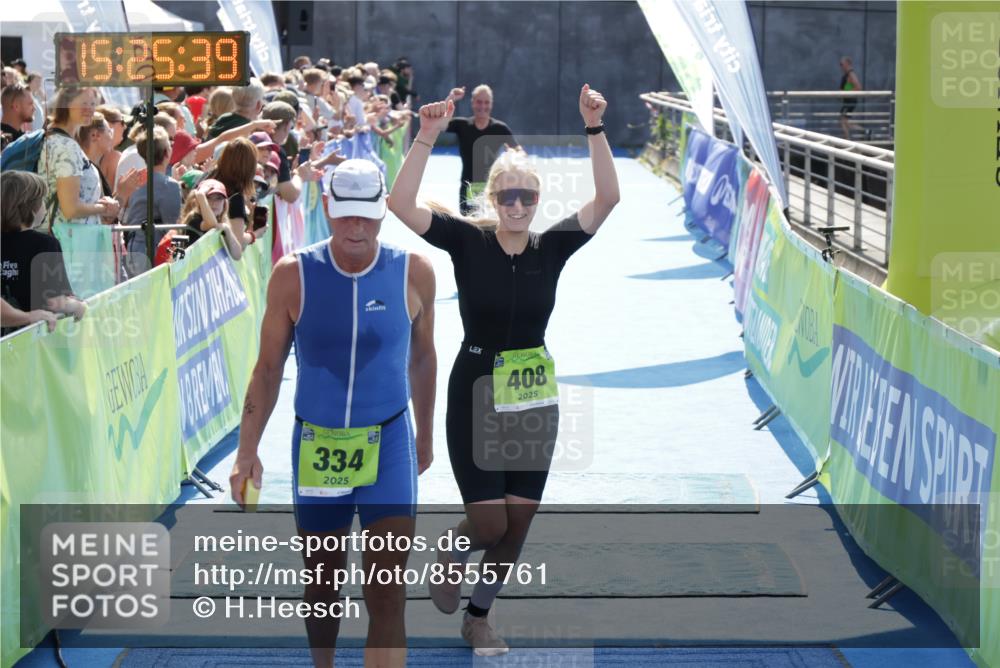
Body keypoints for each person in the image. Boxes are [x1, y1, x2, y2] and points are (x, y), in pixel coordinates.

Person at [387, 84, 619, 656]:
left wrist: (593, 126)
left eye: (527, 198)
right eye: (508, 196)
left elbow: (608, 198)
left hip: (534, 398)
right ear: (492, 197)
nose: (517, 206)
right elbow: (400, 205)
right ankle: (454, 547)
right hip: (476, 392)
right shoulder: (468, 242)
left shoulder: (553, 247)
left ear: (537, 202)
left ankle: (479, 617)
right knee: (488, 526)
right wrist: (425, 136)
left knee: (516, 528)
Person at [229, 158, 437, 668]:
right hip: (318, 446)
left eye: (366, 214)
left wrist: (426, 436)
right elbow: (267, 368)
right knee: (322, 587)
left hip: (388, 444)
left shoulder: (414, 271)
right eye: (345, 214)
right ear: (327, 206)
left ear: (384, 208)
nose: (356, 227)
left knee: (386, 592)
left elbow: (424, 356)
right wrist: (246, 451)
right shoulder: (292, 275)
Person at [1, 171, 87, 335]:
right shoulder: (45, 244)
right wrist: (79, 306)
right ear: (30, 208)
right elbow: (55, 301)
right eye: (41, 201)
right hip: (34, 337)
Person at [39, 86, 121, 227]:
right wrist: (106, 208)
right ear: (66, 104)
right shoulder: (67, 146)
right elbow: (71, 209)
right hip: (69, 240)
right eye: (84, 103)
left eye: (93, 104)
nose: (90, 108)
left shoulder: (52, 137)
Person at [442, 84, 517, 214]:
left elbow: (518, 151)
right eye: (479, 102)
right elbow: (438, 122)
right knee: (469, 228)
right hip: (469, 187)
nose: (483, 106)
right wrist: (451, 98)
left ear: (491, 104)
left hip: (492, 188)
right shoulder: (462, 125)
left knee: (492, 229)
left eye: (486, 102)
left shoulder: (500, 129)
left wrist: (512, 158)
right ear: (472, 103)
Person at [122, 126, 182, 275]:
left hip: (133, 250)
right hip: (153, 252)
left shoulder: (139, 181)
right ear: (167, 153)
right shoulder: (169, 185)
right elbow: (174, 226)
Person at [839, 56, 863, 139]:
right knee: (845, 122)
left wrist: (847, 93)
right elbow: (848, 87)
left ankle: (847, 139)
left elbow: (858, 87)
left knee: (843, 121)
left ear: (848, 64)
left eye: (842, 64)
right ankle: (865, 131)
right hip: (847, 101)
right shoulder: (847, 74)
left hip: (850, 101)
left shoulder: (851, 74)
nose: (841, 66)